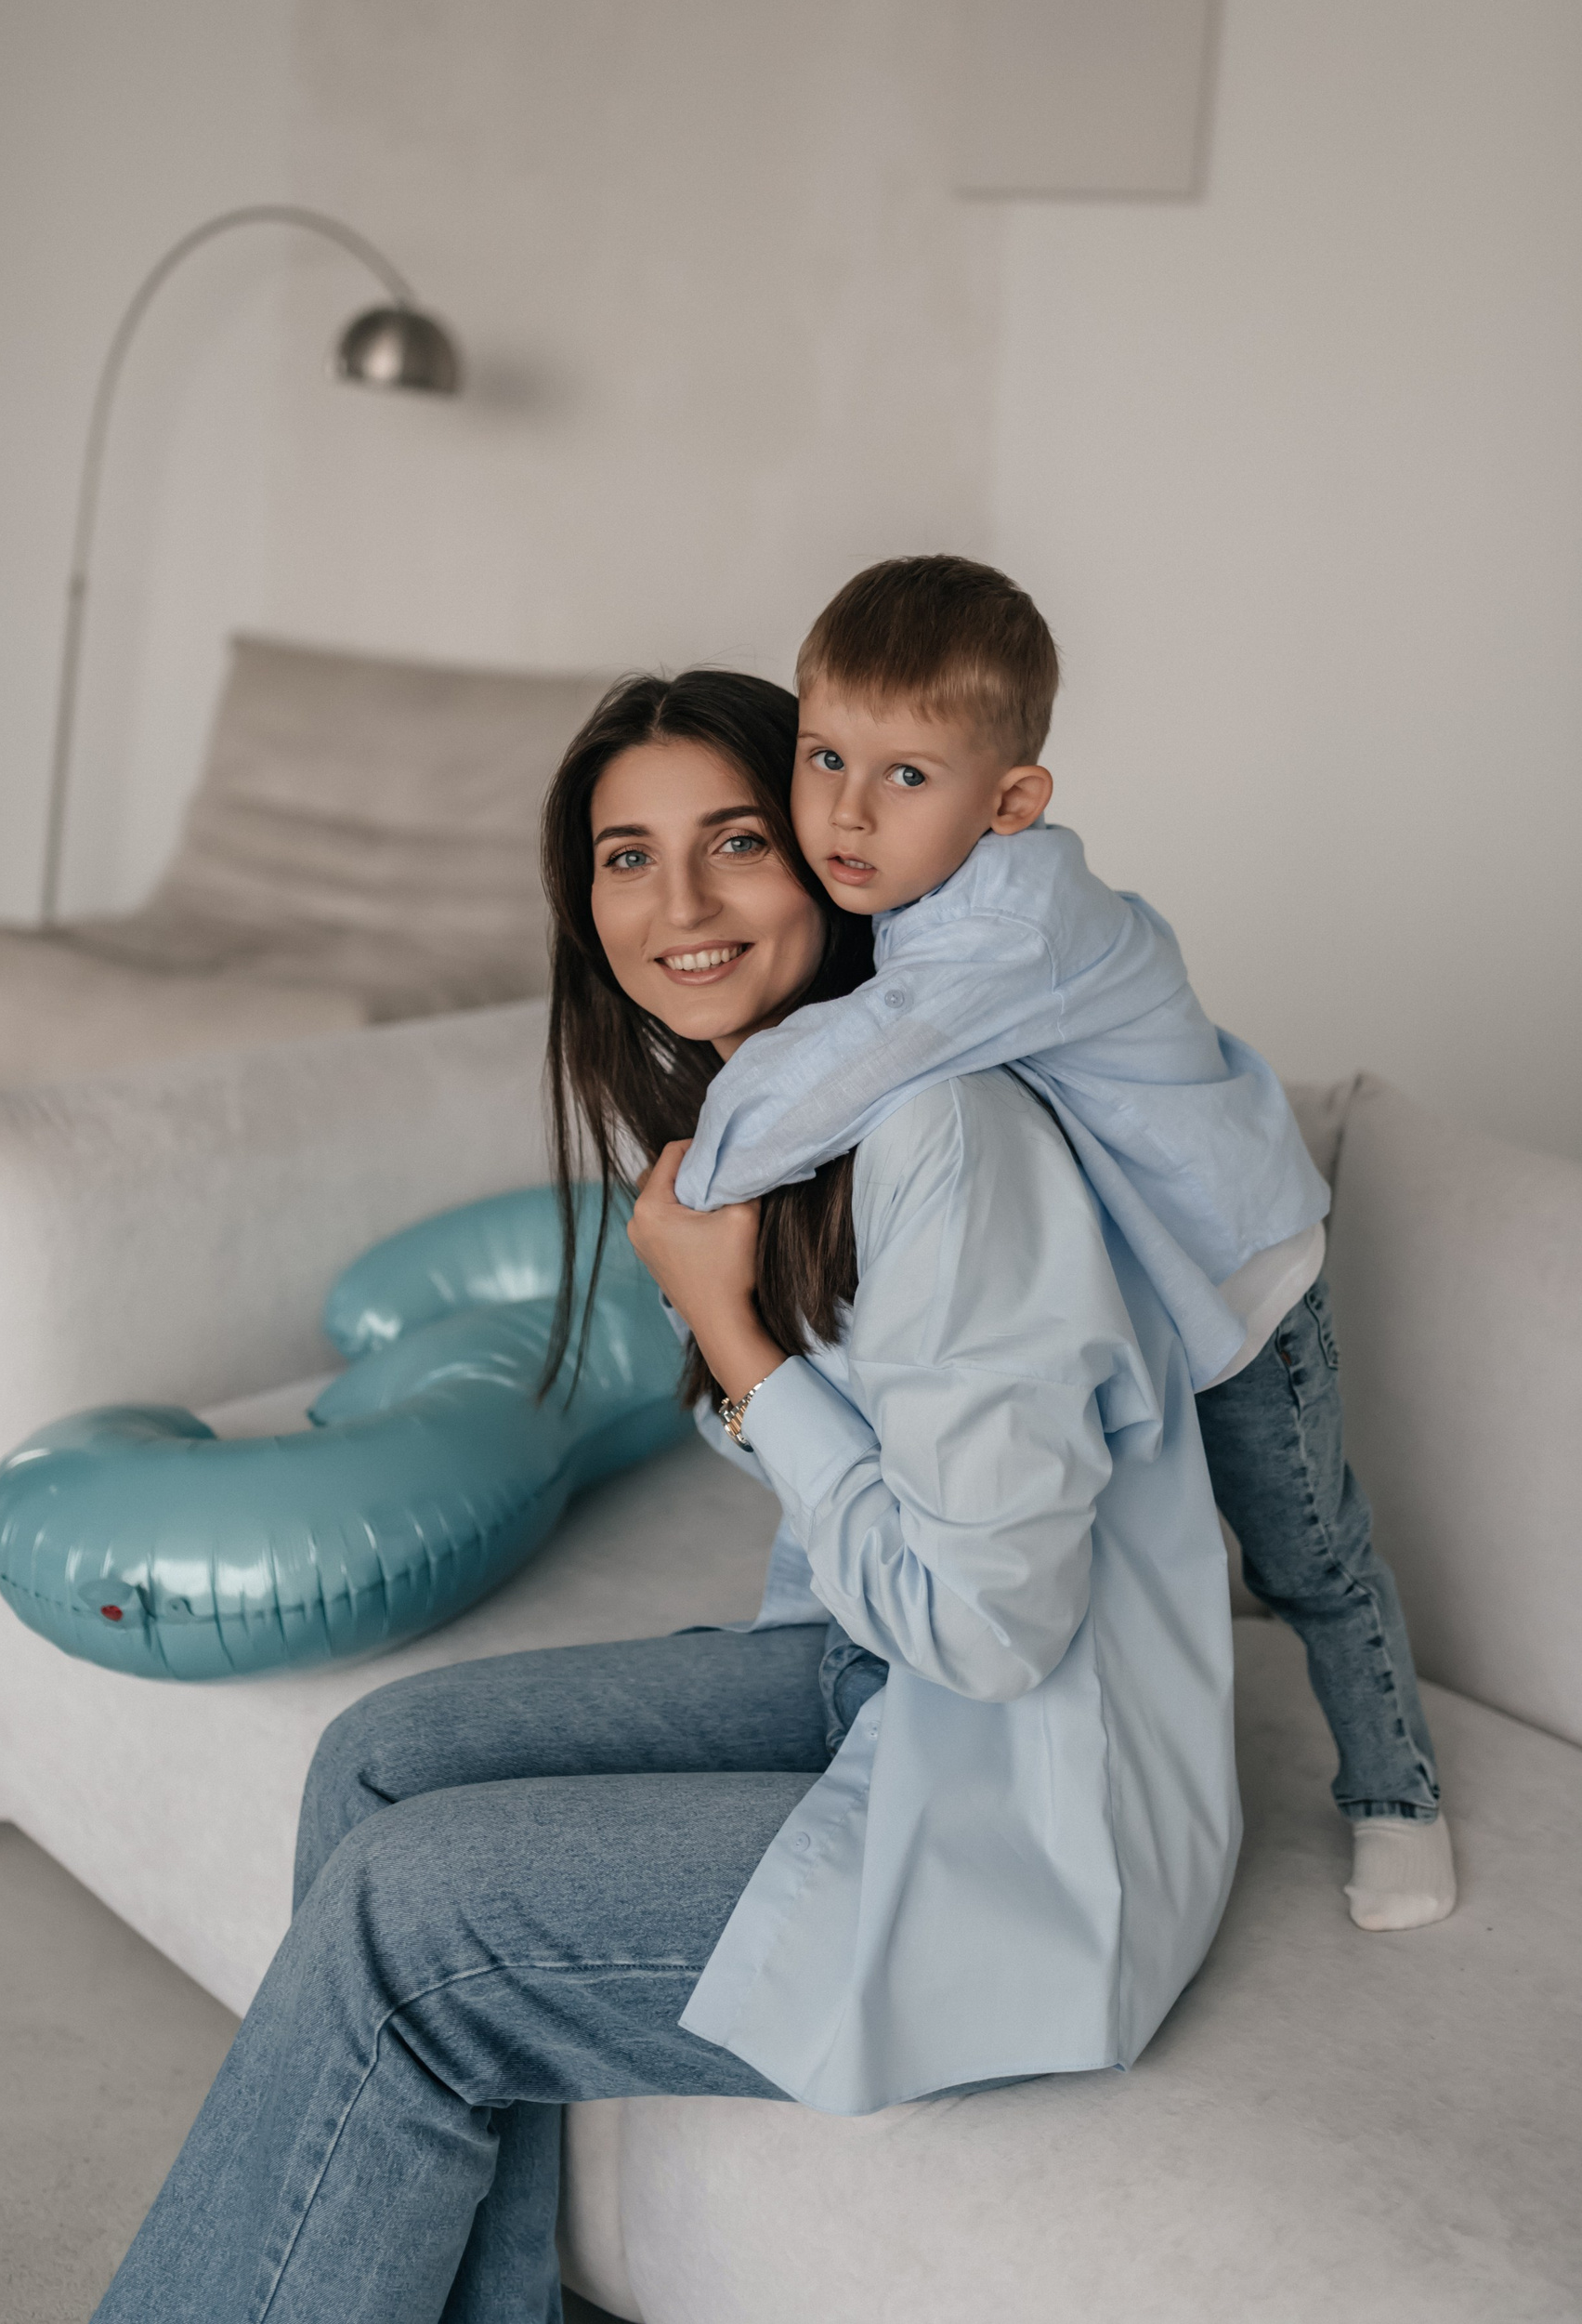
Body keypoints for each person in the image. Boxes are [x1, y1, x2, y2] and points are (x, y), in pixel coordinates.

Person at [94, 669, 1240, 2324]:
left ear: (837, 856)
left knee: (410, 1928)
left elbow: (995, 1630)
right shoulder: (769, 1123)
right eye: (628, 857)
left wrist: (737, 1340)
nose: (680, 903)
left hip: (1034, 1821)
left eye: (737, 840)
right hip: (873, 1679)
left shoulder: (948, 1136)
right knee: (377, 1760)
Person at [674, 554, 1454, 1931]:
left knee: (1309, 1558)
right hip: (1123, 1295)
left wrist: (692, 1197)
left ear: (1012, 802)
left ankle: (1397, 1794)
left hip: (1234, 1291)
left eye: (907, 775)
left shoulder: (1011, 927)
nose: (847, 811)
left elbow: (829, 1082)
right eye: (824, 756)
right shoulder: (911, 901)